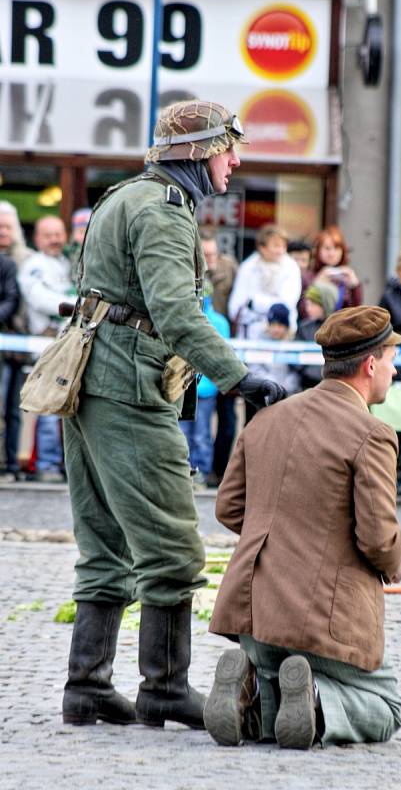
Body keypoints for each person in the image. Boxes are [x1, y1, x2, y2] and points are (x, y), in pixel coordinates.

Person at [60, 99, 286, 731]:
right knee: (172, 550)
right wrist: (240, 377)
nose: (235, 162)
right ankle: (163, 689)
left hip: (87, 382)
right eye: (226, 150)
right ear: (195, 153)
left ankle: (87, 688)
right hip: (129, 393)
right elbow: (179, 314)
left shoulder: (123, 196)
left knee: (104, 544)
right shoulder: (162, 211)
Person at [203, 305, 401, 749]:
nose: (394, 373)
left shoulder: (266, 419)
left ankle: (256, 691)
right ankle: (318, 700)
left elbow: (228, 507)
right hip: (322, 622)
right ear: (370, 365)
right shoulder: (371, 433)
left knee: (278, 679)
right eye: (392, 361)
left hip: (254, 615)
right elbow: (376, 539)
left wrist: (280, 531)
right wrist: (399, 562)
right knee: (385, 705)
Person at [18, 215, 74, 482]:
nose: (54, 239)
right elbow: (41, 300)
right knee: (50, 408)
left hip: (71, 348)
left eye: (58, 234)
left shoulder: (66, 264)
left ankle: (62, 464)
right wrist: (78, 304)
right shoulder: (33, 266)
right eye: (48, 235)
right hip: (47, 348)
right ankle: (47, 464)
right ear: (37, 238)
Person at [199, 227, 239, 488]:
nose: (211, 259)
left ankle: (219, 471)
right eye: (206, 254)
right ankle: (201, 469)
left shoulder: (230, 268)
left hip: (226, 339)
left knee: (227, 420)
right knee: (198, 424)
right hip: (203, 339)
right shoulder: (189, 269)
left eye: (214, 253)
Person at [179, 281, 229, 488]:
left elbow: (221, 355)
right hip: (183, 385)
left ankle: (202, 471)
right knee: (183, 432)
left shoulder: (218, 322)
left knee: (201, 434)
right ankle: (183, 470)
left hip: (206, 388)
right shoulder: (182, 318)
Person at [228, 223, 301, 339]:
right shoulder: (248, 267)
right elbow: (235, 307)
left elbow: (286, 304)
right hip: (250, 336)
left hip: (282, 336)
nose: (281, 250)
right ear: (262, 247)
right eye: (276, 246)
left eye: (283, 246)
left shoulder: (291, 267)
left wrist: (255, 303)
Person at [0, 203, 24, 481]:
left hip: (10, 345)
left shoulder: (11, 263)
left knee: (9, 409)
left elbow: (12, 298)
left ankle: (10, 465)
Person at [291, 281, 339, 391]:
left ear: (325, 304)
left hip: (333, 386)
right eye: (307, 304)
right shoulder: (304, 328)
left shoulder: (339, 328)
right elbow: (294, 356)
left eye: (313, 304)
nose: (308, 308)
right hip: (307, 385)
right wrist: (309, 372)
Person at [310, 225, 362, 309]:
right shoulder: (308, 276)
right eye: (327, 248)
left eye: (337, 248)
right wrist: (318, 282)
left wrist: (354, 286)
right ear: (318, 250)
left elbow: (356, 310)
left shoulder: (346, 276)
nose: (332, 253)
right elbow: (304, 310)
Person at [66, 207, 92, 284]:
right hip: (73, 283)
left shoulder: (96, 251)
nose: (84, 236)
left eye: (88, 232)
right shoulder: (70, 249)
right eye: (80, 232)